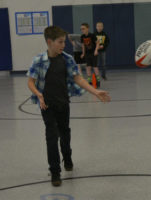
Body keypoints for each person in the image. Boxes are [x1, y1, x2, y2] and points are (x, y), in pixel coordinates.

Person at [27, 26, 111, 187]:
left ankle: (67, 156)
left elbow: (78, 79)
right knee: (51, 137)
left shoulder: (67, 59)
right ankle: (55, 172)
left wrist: (95, 91)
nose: (63, 45)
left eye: (64, 42)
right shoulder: (38, 60)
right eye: (60, 42)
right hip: (47, 106)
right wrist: (38, 94)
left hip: (63, 103)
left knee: (65, 133)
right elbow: (30, 82)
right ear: (49, 42)